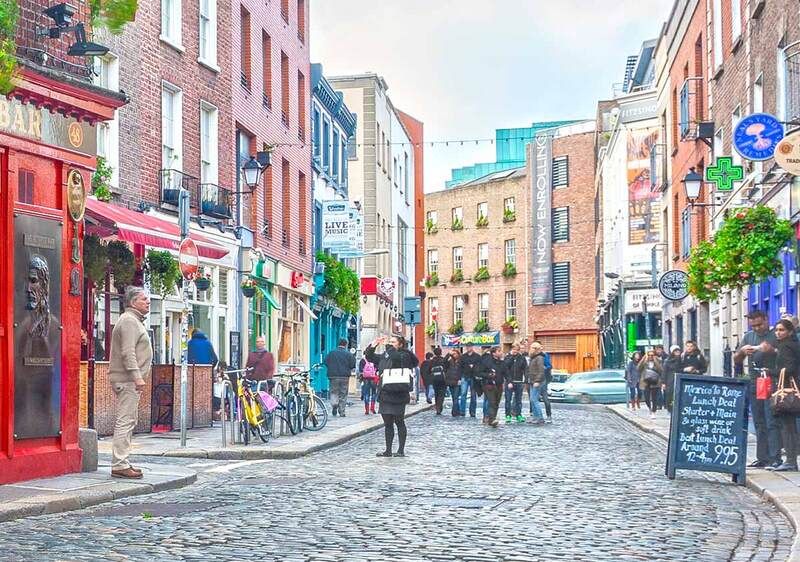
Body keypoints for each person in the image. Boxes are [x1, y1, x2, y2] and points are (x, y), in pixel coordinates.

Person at [109, 286, 153, 479]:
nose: (148, 301)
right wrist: (137, 376)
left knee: (129, 420)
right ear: (133, 302)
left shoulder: (133, 321)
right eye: (144, 299)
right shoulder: (128, 321)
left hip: (129, 381)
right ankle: (119, 463)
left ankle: (123, 461)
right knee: (125, 421)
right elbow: (128, 352)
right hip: (127, 380)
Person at [735, 311, 782, 469]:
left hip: (773, 382)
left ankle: (775, 457)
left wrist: (772, 351)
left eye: (759, 325)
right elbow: (736, 359)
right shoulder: (749, 337)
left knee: (772, 421)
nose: (756, 328)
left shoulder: (775, 335)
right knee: (759, 421)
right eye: (753, 326)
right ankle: (762, 457)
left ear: (767, 320)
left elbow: (789, 355)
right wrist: (742, 352)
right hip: (755, 382)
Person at [365, 335, 418, 457]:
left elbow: (404, 360)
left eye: (393, 342)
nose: (390, 344)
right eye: (389, 342)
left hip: (399, 393)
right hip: (385, 393)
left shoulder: (405, 355)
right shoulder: (385, 355)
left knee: (399, 422)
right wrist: (374, 344)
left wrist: (392, 349)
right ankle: (388, 450)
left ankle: (400, 450)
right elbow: (370, 357)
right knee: (387, 423)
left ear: (400, 344)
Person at [763, 319, 800, 472]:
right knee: (789, 426)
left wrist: (769, 371)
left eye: (781, 330)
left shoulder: (787, 347)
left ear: (790, 331)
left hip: (788, 390)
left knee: (788, 426)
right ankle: (791, 460)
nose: (778, 333)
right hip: (792, 387)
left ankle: (791, 461)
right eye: (777, 330)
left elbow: (789, 369)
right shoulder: (791, 345)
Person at [324, 339, 356, 417]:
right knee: (343, 394)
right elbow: (352, 365)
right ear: (346, 344)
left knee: (334, 392)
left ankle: (334, 404)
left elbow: (325, 362)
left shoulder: (332, 353)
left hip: (333, 376)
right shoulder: (348, 354)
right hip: (344, 376)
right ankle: (342, 411)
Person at [481, 347, 505, 427]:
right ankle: (491, 419)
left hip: (499, 385)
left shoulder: (502, 362)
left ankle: (493, 417)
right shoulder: (487, 362)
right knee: (492, 402)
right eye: (499, 351)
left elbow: (506, 372)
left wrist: (509, 381)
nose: (501, 352)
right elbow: (479, 372)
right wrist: (489, 375)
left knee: (497, 403)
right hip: (489, 385)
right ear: (494, 353)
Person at [504, 343, 528, 423]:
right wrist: (509, 381)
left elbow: (525, 369)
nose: (515, 351)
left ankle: (518, 415)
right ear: (511, 349)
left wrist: (526, 380)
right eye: (514, 349)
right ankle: (508, 415)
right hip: (509, 382)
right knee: (508, 399)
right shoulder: (507, 357)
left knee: (518, 400)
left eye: (517, 350)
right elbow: (505, 368)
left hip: (519, 381)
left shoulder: (522, 358)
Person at [638, 349, 662, 419]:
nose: (650, 356)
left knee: (654, 398)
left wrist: (656, 361)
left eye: (652, 355)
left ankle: (654, 412)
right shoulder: (645, 362)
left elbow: (661, 370)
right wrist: (643, 359)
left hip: (655, 382)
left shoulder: (658, 361)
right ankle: (650, 409)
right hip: (646, 382)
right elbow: (638, 368)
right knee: (646, 398)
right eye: (649, 355)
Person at [458, 346, 481, 417]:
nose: (468, 348)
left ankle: (472, 412)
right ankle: (462, 411)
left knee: (473, 395)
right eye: (467, 347)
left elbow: (479, 366)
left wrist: (474, 367)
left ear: (472, 347)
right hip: (465, 376)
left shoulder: (477, 356)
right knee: (463, 394)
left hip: (474, 377)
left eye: (469, 347)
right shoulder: (463, 357)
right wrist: (460, 377)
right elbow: (460, 367)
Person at [527, 342, 546, 425]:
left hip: (537, 382)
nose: (530, 349)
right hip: (532, 381)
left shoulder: (539, 358)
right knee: (532, 399)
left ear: (535, 349)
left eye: (531, 348)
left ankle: (540, 418)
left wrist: (537, 381)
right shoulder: (533, 357)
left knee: (534, 400)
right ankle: (535, 417)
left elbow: (541, 371)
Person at [662, 345, 682, 413]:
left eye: (678, 351)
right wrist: (663, 383)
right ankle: (670, 409)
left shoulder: (682, 359)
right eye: (675, 351)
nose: (677, 352)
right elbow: (664, 372)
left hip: (680, 379)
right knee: (670, 395)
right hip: (670, 380)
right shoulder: (668, 361)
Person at [428, 348, 448, 415]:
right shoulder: (443, 360)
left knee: (436, 394)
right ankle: (440, 407)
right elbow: (446, 369)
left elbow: (429, 370)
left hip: (434, 380)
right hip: (443, 380)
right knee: (441, 395)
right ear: (441, 352)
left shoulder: (432, 361)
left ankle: (437, 407)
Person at [478, 346, 494, 423]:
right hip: (489, 381)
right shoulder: (489, 358)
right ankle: (487, 416)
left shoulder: (482, 357)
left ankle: (485, 416)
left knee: (486, 399)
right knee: (489, 399)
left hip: (485, 381)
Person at [444, 349, 462, 416]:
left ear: (458, 354)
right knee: (454, 397)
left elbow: (463, 370)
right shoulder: (449, 361)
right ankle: (457, 411)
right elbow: (444, 362)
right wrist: (448, 354)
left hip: (457, 381)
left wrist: (460, 379)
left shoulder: (461, 361)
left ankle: (454, 412)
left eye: (455, 353)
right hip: (450, 381)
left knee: (456, 397)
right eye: (453, 354)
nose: (454, 355)